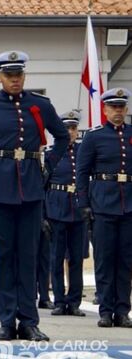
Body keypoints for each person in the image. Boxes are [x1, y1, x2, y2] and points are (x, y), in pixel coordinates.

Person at [0, 50, 69, 341]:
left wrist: (47, 168)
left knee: (29, 257)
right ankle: (7, 321)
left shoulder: (40, 105)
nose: (14, 80)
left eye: (18, 75)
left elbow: (63, 136)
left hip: (31, 188)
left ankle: (29, 320)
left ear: (24, 76)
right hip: (0, 190)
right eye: (8, 75)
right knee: (5, 257)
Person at [76, 87, 132, 328]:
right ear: (105, 109)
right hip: (103, 205)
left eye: (121, 107)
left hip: (129, 204)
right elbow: (82, 172)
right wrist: (84, 203)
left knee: (126, 261)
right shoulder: (94, 136)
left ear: (126, 109)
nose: (117, 111)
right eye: (113, 107)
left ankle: (122, 310)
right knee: (104, 259)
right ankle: (106, 311)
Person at [47, 109, 86, 317]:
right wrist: (44, 215)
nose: (70, 132)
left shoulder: (84, 152)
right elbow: (43, 185)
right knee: (56, 258)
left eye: (73, 128)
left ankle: (74, 302)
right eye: (66, 128)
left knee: (76, 259)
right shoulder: (50, 153)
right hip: (57, 209)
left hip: (78, 210)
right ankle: (59, 301)